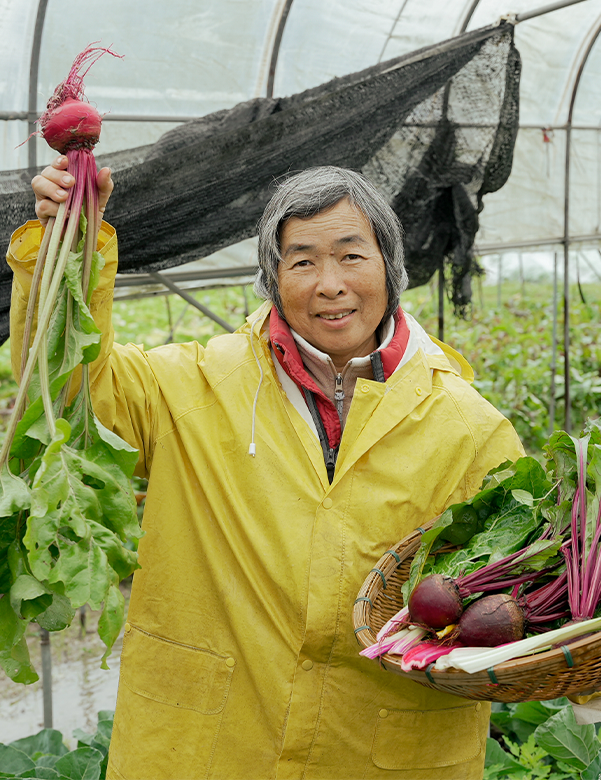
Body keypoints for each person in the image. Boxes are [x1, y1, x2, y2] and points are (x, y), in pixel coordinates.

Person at [9, 158, 524, 780]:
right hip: (212, 744)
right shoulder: (195, 387)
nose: (329, 284)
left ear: (390, 268)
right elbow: (71, 384)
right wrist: (65, 244)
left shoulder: (469, 427)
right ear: (272, 278)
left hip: (381, 750)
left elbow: (518, 584)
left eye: (352, 256)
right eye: (302, 260)